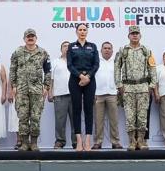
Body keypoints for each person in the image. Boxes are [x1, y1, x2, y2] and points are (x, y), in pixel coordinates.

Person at [115, 25, 157, 151]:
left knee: (142, 116)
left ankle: (141, 141)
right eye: (132, 33)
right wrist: (119, 85)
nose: (134, 35)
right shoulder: (123, 50)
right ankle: (132, 141)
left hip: (143, 87)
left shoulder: (146, 50)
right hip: (128, 88)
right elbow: (117, 67)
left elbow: (152, 68)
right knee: (130, 116)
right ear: (128, 35)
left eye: (136, 33)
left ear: (140, 35)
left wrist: (152, 85)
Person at [10, 28, 51, 151]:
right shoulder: (17, 52)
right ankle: (24, 143)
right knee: (22, 117)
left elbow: (48, 71)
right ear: (24, 39)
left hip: (37, 90)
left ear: (36, 38)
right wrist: (14, 85)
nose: (30, 38)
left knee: (35, 117)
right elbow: (12, 69)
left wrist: (46, 86)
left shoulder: (43, 53)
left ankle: (33, 143)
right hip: (21, 90)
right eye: (28, 36)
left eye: (32, 36)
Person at [67, 22, 99, 151]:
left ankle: (87, 140)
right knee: (76, 109)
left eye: (84, 30)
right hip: (75, 81)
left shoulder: (93, 46)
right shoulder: (71, 46)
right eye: (80, 29)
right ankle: (79, 140)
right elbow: (70, 65)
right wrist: (81, 76)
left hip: (90, 81)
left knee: (88, 110)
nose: (82, 32)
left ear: (87, 32)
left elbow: (96, 65)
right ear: (76, 32)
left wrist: (88, 77)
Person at [93, 41, 122, 150]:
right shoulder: (96, 61)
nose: (107, 50)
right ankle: (97, 142)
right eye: (105, 48)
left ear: (112, 50)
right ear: (101, 50)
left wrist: (119, 91)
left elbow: (120, 77)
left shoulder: (116, 62)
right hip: (98, 94)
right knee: (98, 120)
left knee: (114, 120)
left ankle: (115, 142)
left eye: (109, 48)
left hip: (113, 94)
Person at [49, 41, 77, 149]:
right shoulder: (55, 62)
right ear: (61, 49)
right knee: (60, 120)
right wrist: (50, 92)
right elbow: (51, 79)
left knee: (76, 120)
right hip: (59, 94)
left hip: (75, 94)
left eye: (69, 46)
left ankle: (76, 142)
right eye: (64, 46)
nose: (67, 48)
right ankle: (60, 141)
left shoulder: (76, 62)